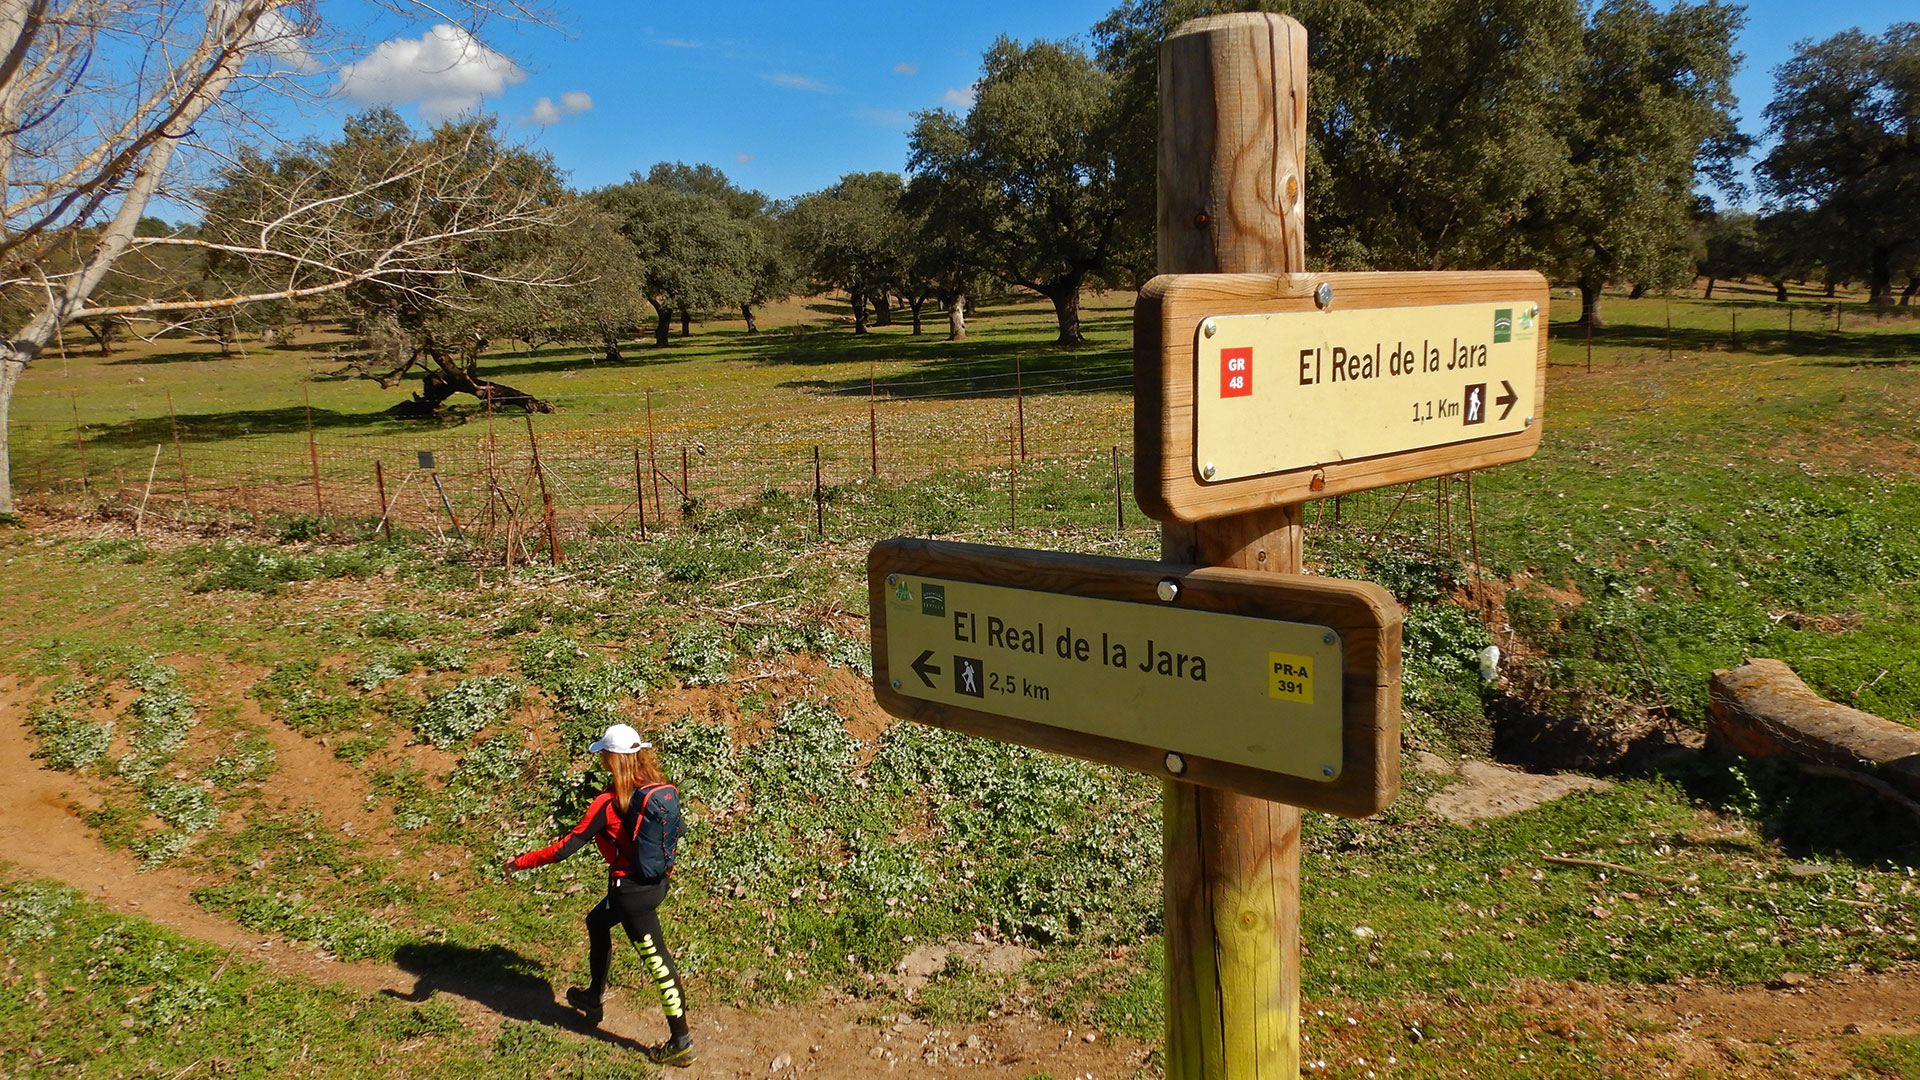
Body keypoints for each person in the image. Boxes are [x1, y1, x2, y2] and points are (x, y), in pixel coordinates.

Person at [504, 722, 694, 1067]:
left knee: (658, 962)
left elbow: (563, 850)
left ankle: (681, 1043)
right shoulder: (658, 791)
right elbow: (678, 829)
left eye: (604, 754)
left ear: (610, 757)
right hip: (655, 885)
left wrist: (520, 862)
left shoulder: (606, 803)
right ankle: (593, 997)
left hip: (630, 895)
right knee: (597, 921)